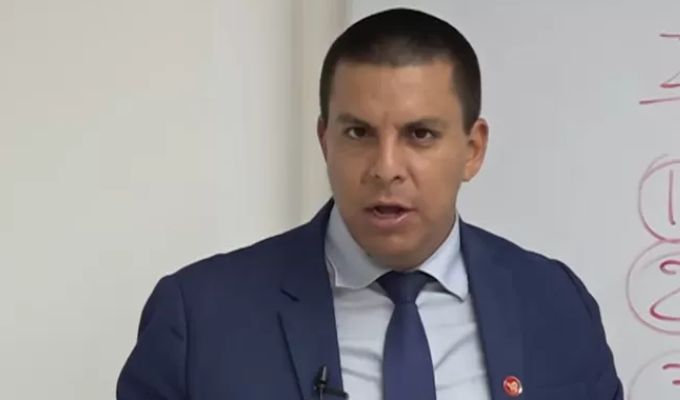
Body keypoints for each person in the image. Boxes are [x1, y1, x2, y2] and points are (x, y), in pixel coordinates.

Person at [117, 8, 623, 400]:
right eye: (358, 133)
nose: (385, 168)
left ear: (472, 150)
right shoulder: (200, 317)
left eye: (420, 134)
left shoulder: (555, 304)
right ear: (325, 141)